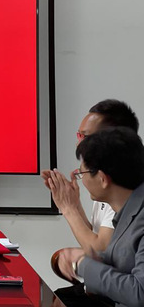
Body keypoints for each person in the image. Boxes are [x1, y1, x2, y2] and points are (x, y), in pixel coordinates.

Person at [54, 127, 144, 307]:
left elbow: (139, 293)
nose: (80, 179)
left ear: (102, 179)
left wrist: (82, 264)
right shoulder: (128, 210)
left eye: (81, 173)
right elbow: (125, 264)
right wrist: (90, 259)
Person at [41, 100, 139, 254]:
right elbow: (93, 236)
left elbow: (101, 250)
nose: (78, 144)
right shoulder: (102, 180)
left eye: (85, 136)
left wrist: (68, 208)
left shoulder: (120, 185)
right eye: (78, 135)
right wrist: (75, 205)